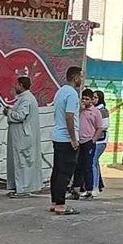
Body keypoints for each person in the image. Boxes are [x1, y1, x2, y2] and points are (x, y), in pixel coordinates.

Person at [49, 66, 83, 214]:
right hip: (66, 139)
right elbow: (69, 116)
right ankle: (61, 205)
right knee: (65, 172)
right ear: (75, 78)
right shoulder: (72, 94)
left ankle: (55, 201)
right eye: (81, 77)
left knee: (57, 171)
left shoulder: (60, 92)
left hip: (58, 137)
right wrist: (73, 139)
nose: (82, 80)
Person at [3, 76, 42, 197]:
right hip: (21, 137)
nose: (15, 86)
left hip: (23, 137)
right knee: (20, 162)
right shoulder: (25, 98)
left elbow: (20, 116)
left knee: (22, 162)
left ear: (21, 85)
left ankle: (23, 189)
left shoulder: (26, 99)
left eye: (16, 84)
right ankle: (19, 187)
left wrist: (8, 112)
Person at [74, 89, 102, 199]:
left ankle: (89, 190)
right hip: (79, 141)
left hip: (88, 141)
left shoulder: (95, 112)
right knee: (78, 166)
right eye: (83, 98)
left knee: (88, 166)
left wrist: (93, 140)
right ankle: (76, 190)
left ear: (91, 100)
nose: (84, 101)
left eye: (87, 99)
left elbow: (99, 128)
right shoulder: (79, 110)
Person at [92, 91, 111, 192]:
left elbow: (104, 125)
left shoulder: (102, 111)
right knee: (95, 162)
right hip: (92, 139)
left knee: (93, 161)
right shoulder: (92, 109)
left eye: (95, 98)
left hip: (100, 140)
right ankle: (97, 185)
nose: (93, 99)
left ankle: (94, 186)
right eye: (92, 97)